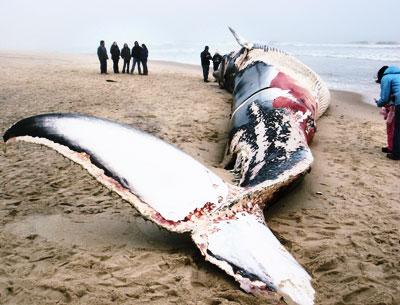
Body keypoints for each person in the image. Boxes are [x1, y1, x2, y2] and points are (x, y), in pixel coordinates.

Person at [375, 65, 400, 160]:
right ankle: (393, 148)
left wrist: (379, 103)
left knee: (397, 128)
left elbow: (384, 98)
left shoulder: (386, 77)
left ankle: (396, 153)